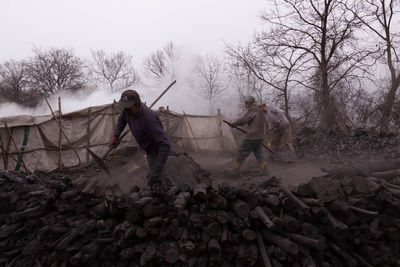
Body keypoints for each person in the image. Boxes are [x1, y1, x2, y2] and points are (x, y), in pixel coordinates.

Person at [111, 90, 171, 185]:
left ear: (137, 105)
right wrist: (116, 135)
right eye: (124, 108)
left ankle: (169, 190)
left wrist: (157, 169)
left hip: (156, 150)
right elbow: (122, 119)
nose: (125, 111)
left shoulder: (149, 120)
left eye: (128, 108)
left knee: (158, 177)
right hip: (147, 148)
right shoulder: (128, 111)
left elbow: (165, 144)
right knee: (153, 173)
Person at [229, 96, 268, 172]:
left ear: (249, 103)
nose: (245, 105)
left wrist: (233, 123)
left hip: (252, 137)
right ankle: (265, 170)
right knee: (259, 155)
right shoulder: (260, 111)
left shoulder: (252, 109)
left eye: (246, 103)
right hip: (259, 137)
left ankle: (234, 169)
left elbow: (243, 120)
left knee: (241, 152)